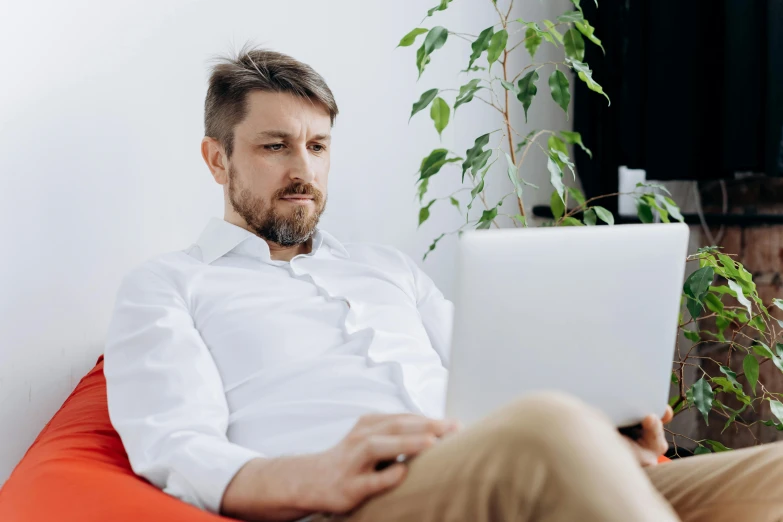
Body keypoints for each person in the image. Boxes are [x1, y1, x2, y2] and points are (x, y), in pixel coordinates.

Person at [104, 47, 783, 522]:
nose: (302, 168)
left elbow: (493, 385)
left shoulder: (386, 269)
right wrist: (316, 476)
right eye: (274, 146)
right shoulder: (167, 286)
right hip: (359, 503)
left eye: (317, 145)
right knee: (546, 422)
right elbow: (176, 446)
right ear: (216, 158)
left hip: (500, 472)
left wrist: (599, 436)